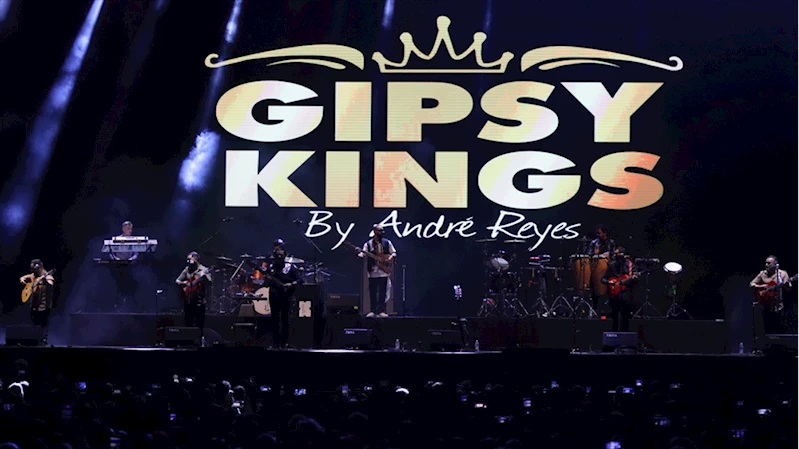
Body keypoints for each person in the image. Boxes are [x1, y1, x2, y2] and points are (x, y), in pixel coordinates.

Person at [262, 246, 302, 349]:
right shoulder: (271, 268)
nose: (279, 257)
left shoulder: (290, 267)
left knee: (285, 319)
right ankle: (275, 343)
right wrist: (267, 280)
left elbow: (300, 280)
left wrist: (291, 284)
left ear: (285, 256)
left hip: (286, 296)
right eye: (277, 255)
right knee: (274, 319)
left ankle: (284, 343)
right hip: (274, 296)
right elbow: (265, 284)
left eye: (281, 255)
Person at [357, 225, 397, 318]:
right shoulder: (368, 244)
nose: (382, 233)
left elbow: (394, 252)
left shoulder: (387, 242)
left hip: (384, 272)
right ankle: (373, 311)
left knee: (383, 292)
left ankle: (382, 310)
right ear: (375, 232)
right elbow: (363, 253)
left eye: (382, 231)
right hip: (372, 272)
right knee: (373, 292)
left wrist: (391, 257)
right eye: (380, 231)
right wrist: (360, 254)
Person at [750, 255, 793, 336]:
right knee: (767, 331)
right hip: (766, 306)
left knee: (780, 331)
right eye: (766, 263)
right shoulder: (762, 274)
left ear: (775, 264)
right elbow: (751, 284)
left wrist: (786, 285)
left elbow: (789, 289)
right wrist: (764, 286)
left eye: (769, 263)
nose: (766, 265)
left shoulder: (782, 274)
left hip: (779, 306)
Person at [175, 252, 212, 340]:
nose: (187, 261)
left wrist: (204, 277)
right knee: (188, 323)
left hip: (199, 301)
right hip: (188, 300)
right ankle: (188, 341)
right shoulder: (187, 270)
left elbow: (210, 283)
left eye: (189, 259)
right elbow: (177, 281)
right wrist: (184, 283)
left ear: (195, 259)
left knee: (200, 324)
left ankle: (199, 341)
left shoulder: (204, 270)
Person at [19, 259, 55, 345]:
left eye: (33, 269)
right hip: (34, 306)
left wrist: (46, 282)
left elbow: (50, 284)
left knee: (43, 328)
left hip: (44, 307)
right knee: (33, 327)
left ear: (38, 267)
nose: (32, 271)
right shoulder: (33, 276)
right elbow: (23, 277)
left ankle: (42, 343)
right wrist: (22, 279)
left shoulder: (48, 277)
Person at [601, 251, 637, 332]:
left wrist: (634, 278)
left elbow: (635, 277)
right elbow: (603, 279)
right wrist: (609, 282)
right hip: (614, 295)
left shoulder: (629, 265)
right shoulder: (612, 265)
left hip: (626, 294)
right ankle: (614, 334)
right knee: (614, 317)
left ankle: (625, 334)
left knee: (625, 317)